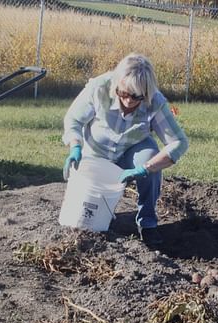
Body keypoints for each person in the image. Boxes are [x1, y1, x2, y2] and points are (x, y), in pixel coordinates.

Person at [62, 53, 189, 245]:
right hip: (97, 154)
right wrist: (75, 146)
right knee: (87, 209)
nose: (129, 101)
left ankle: (147, 224)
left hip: (133, 150)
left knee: (152, 160)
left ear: (146, 93)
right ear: (117, 85)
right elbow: (74, 119)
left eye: (137, 96)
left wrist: (146, 167)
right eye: (124, 93)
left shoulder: (155, 102)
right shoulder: (99, 88)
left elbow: (179, 142)